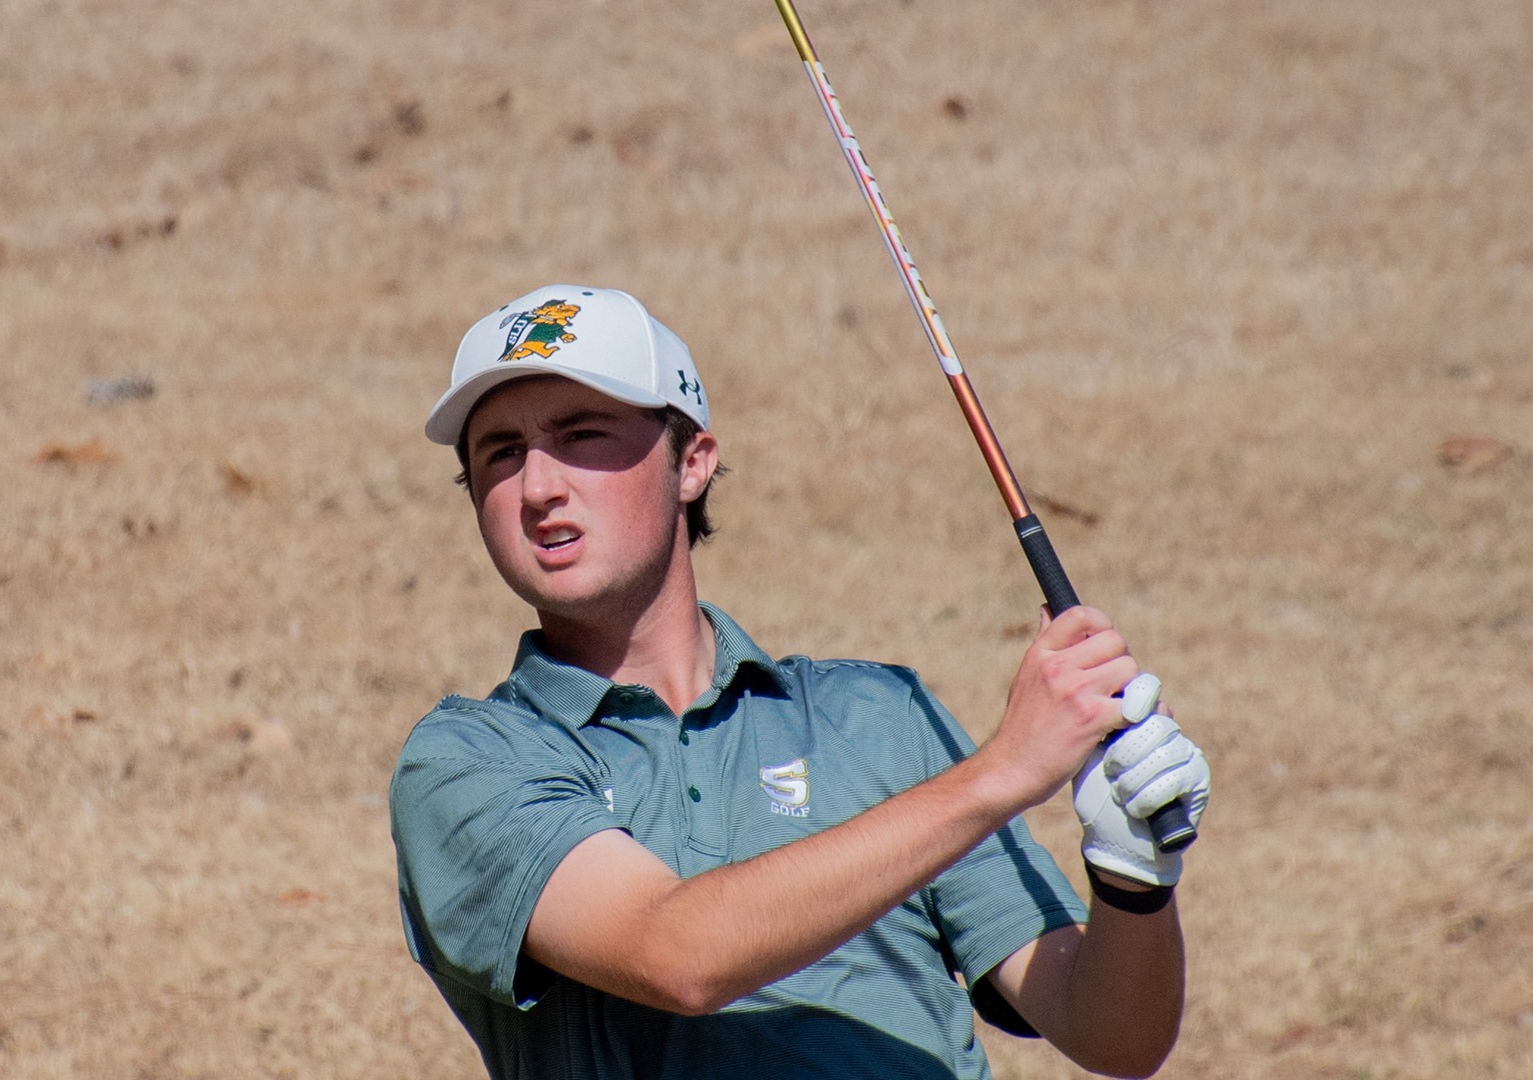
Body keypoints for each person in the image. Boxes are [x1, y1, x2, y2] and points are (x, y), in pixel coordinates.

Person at [390, 284, 1212, 1080]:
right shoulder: (467, 764)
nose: (538, 487)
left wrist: (1131, 877)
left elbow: (1116, 1039)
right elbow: (678, 956)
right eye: (501, 452)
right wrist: (1002, 774)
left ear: (692, 462)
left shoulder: (879, 719)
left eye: (582, 434)